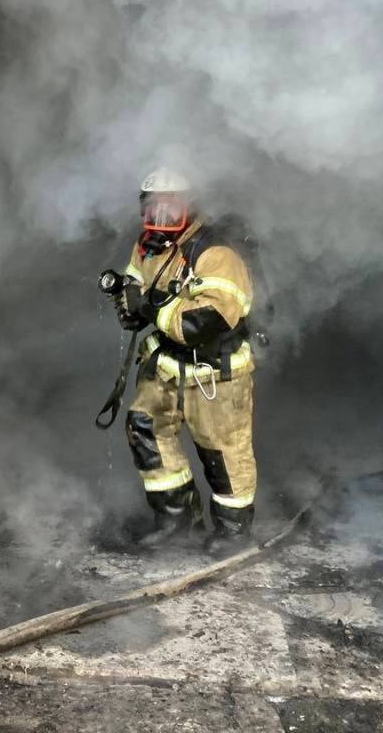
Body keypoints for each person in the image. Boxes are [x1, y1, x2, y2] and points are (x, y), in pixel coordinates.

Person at [113, 168, 258, 553]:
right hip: (166, 367)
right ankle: (177, 520)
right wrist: (126, 301)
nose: (161, 218)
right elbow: (134, 280)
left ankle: (233, 532)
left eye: (171, 208)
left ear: (191, 207)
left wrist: (150, 309)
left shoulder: (216, 252)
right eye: (153, 208)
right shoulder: (149, 245)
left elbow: (204, 321)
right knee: (145, 429)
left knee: (221, 451)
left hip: (215, 373)